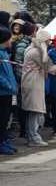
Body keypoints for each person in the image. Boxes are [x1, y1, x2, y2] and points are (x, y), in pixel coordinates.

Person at [0, 26, 17, 155]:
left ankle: (4, 140)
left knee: (5, 119)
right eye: (9, 39)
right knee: (2, 119)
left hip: (8, 92)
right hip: (2, 91)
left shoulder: (5, 53)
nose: (11, 41)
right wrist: (8, 85)